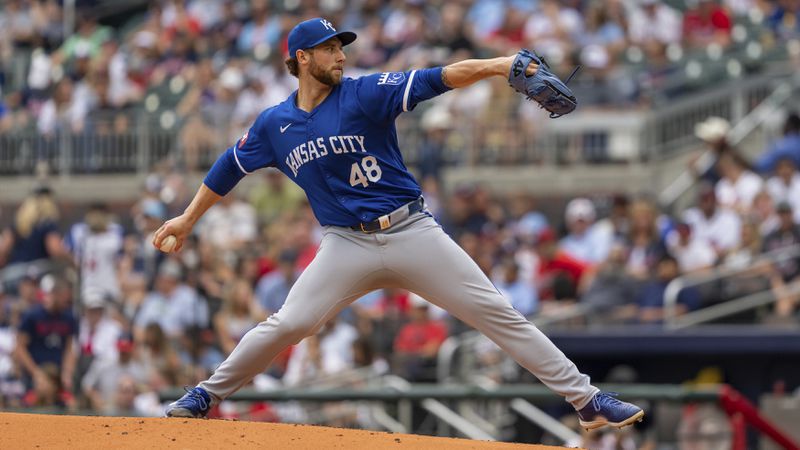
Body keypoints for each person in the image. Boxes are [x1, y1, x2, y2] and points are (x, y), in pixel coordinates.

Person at [156, 17, 642, 429]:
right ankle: (204, 395)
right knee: (290, 323)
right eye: (329, 49)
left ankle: (587, 400)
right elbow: (227, 168)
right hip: (346, 245)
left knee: (497, 313)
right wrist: (187, 218)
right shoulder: (273, 125)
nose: (341, 56)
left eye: (341, 47)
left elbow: (441, 77)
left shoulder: (365, 93)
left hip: (412, 232)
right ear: (301, 58)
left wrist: (497, 66)